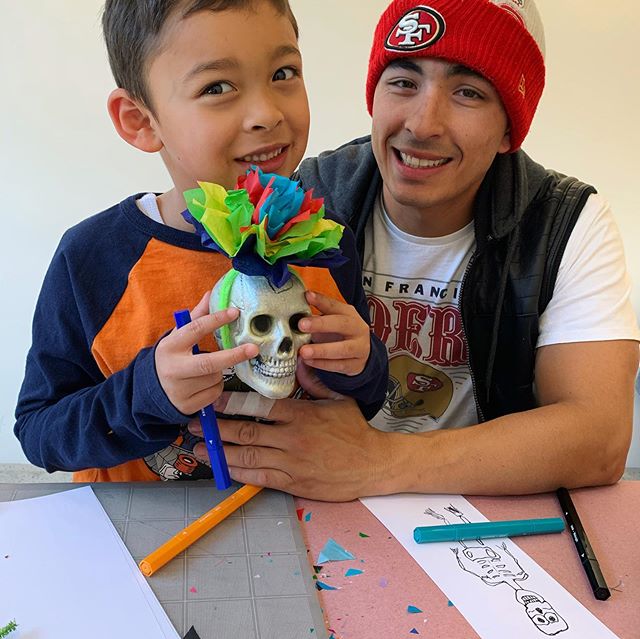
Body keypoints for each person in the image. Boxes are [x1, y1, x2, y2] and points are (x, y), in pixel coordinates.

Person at [192, 0, 640, 500]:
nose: (423, 124)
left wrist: (377, 463)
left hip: (484, 516)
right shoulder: (305, 201)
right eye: (403, 82)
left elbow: (599, 437)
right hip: (317, 505)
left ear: (510, 129)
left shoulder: (564, 222)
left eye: (468, 92)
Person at [13, 0, 387, 482]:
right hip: (140, 539)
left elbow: (367, 400)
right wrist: (149, 392)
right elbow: (40, 433)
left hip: (302, 523)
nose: (266, 114)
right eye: (217, 87)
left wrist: (360, 366)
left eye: (283, 72)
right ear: (141, 121)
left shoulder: (324, 240)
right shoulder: (92, 257)